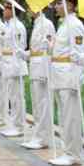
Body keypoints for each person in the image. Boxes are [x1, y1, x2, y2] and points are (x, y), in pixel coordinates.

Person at [48, 0, 84, 166]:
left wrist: (76, 79)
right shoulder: (64, 24)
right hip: (59, 74)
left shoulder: (74, 25)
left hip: (68, 76)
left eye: (59, 3)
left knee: (70, 116)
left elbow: (80, 54)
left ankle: (73, 154)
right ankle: (67, 150)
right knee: (63, 114)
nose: (56, 7)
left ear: (70, 4)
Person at [20, 9, 55, 149]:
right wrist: (25, 54)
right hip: (35, 65)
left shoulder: (46, 24)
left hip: (42, 67)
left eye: (31, 6)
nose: (29, 10)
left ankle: (43, 138)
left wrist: (45, 69)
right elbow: (36, 50)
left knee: (43, 104)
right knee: (36, 104)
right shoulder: (37, 24)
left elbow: (49, 48)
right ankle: (38, 135)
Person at [0, 0, 28, 138]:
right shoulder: (9, 25)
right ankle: (14, 124)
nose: (4, 11)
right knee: (12, 97)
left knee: (17, 98)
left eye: (7, 8)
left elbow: (19, 48)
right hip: (7, 64)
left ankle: (19, 126)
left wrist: (15, 68)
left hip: (15, 66)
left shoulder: (18, 27)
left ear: (12, 10)